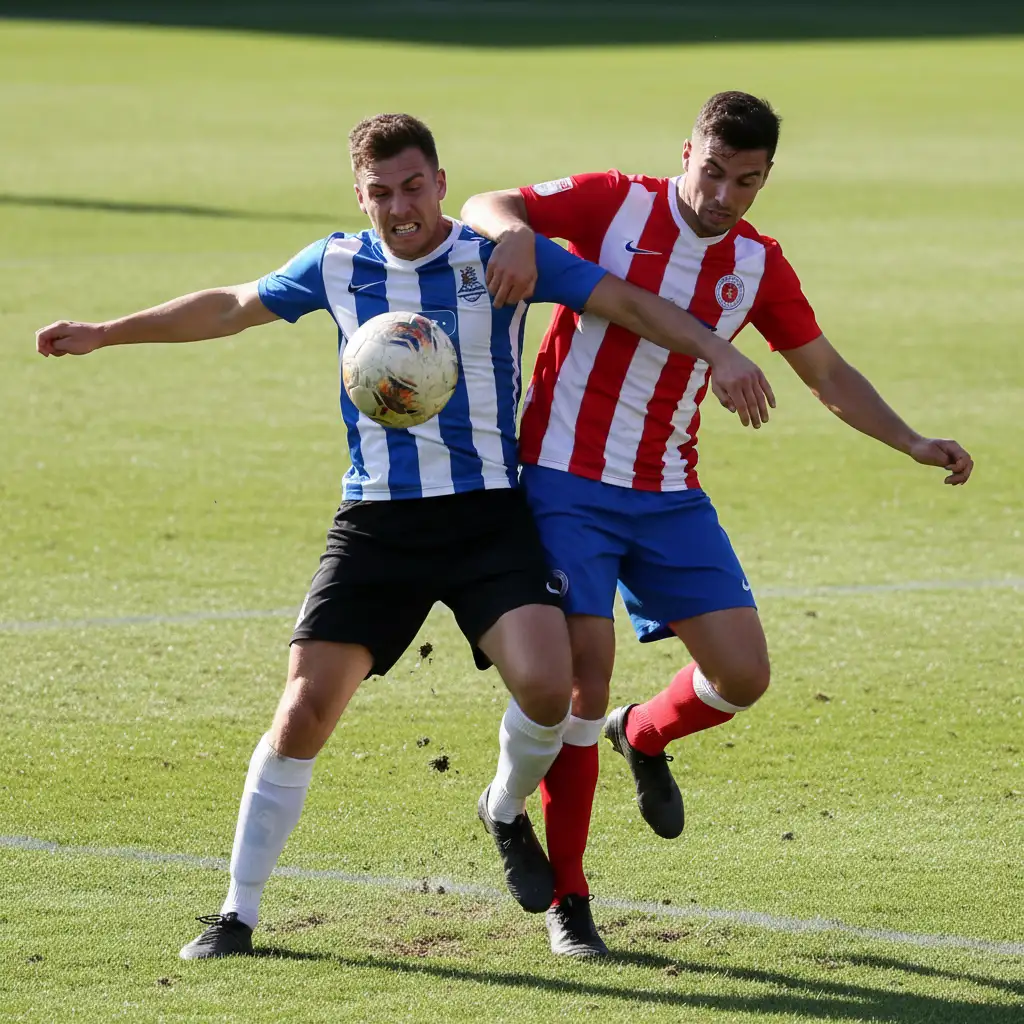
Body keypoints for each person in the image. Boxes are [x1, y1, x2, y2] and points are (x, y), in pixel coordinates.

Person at [36, 112, 774, 959]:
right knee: (305, 708)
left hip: (488, 517)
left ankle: (500, 807)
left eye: (414, 186)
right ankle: (236, 914)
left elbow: (624, 303)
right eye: (381, 192)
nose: (400, 207)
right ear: (361, 195)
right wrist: (107, 332)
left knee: (549, 685)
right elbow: (233, 305)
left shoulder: (494, 260)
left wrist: (716, 349)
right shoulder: (339, 264)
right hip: (379, 521)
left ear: (441, 183)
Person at [461, 90, 974, 957]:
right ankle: (571, 899)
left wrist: (912, 440)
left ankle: (645, 733)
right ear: (686, 149)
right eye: (713, 170)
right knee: (585, 682)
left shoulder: (759, 264)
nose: (726, 194)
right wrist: (511, 230)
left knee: (742, 677)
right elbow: (486, 204)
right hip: (562, 485)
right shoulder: (612, 201)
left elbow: (825, 371)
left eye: (749, 180)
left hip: (668, 493)